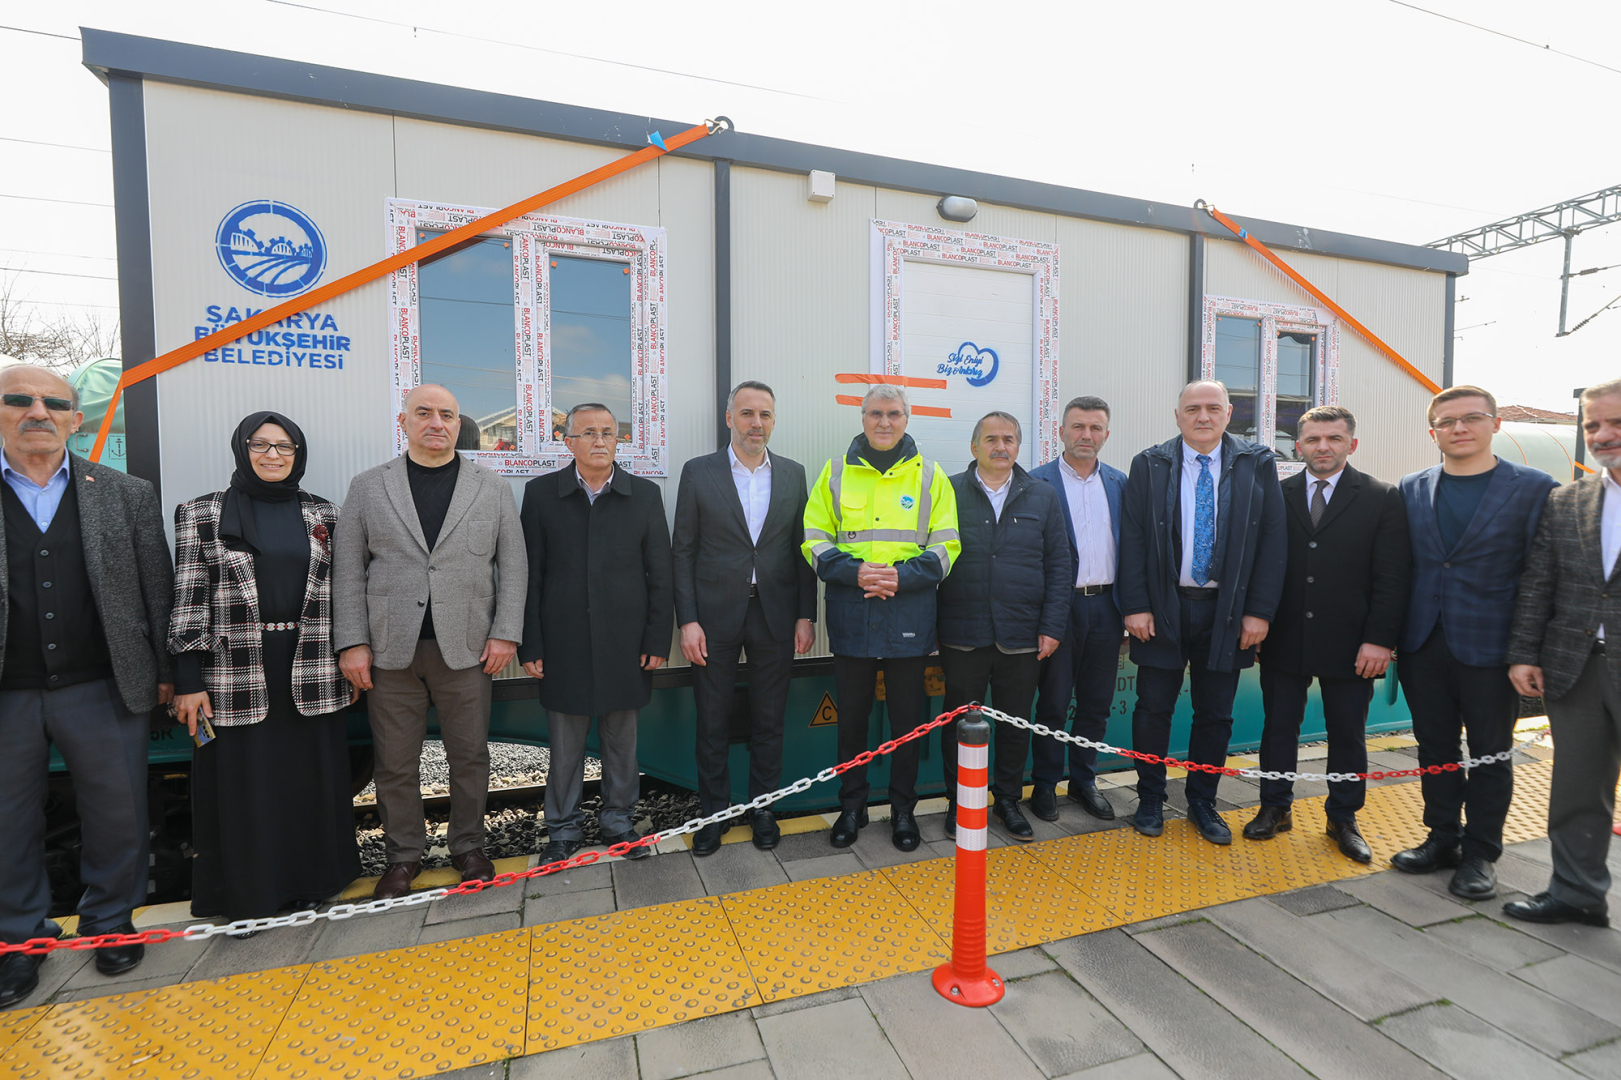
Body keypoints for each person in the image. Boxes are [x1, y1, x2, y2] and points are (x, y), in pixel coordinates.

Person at [0, 365, 173, 1005]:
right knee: (6, 822)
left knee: (117, 813)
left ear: (76, 420)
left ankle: (110, 923)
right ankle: (18, 940)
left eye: (54, 403)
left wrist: (164, 672)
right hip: (8, 693)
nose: (37, 412)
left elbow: (157, 588)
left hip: (101, 685)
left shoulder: (125, 493)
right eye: (19, 400)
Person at [333, 385, 526, 900]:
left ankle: (469, 847)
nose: (436, 423)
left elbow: (514, 566)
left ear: (459, 424)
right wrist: (352, 642)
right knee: (394, 762)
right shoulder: (368, 487)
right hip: (390, 651)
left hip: (467, 648)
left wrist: (505, 632)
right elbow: (347, 571)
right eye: (424, 413)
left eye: (447, 415)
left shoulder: (491, 487)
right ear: (405, 422)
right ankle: (403, 857)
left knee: (470, 756)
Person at [170, 412, 360, 925]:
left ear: (298, 454)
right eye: (261, 444)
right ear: (242, 448)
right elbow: (188, 599)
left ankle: (312, 885)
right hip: (232, 673)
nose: (273, 455)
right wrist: (187, 680)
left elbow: (345, 593)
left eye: (285, 446)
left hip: (312, 666)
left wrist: (352, 651)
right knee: (243, 789)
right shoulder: (201, 513)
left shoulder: (325, 513)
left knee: (308, 783)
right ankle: (247, 899)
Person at [1394, 385, 1556, 899]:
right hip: (1423, 642)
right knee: (1434, 747)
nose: (1459, 428)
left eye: (1472, 418)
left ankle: (1481, 852)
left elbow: (1543, 576)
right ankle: (1442, 836)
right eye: (1447, 422)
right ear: (1433, 432)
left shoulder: (1535, 488)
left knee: (1491, 752)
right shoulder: (1411, 487)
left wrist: (1529, 651)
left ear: (1496, 424)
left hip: (1493, 649)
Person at [1117, 379, 1286, 844]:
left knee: (1215, 714)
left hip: (1227, 612)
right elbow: (1132, 538)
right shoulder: (1150, 464)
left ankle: (1203, 802)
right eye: (1192, 409)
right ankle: (1150, 798)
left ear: (1229, 413)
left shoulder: (1257, 463)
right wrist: (1136, 605)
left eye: (1213, 408)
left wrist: (1259, 612)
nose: (1203, 417)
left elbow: (1273, 540)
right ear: (1178, 416)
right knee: (1152, 709)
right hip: (1163, 608)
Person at [1242, 406, 1410, 863]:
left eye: (1334, 438)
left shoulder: (1381, 497)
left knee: (1347, 732)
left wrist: (1380, 639)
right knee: (1278, 727)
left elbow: (1393, 577)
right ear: (1298, 446)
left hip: (1353, 642)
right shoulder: (1276, 495)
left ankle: (1343, 817)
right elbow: (1260, 565)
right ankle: (1274, 808)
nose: (1323, 447)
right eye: (1313, 439)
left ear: (1351, 444)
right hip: (1284, 637)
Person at [803, 384, 959, 851]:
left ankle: (902, 812)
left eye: (893, 414)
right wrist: (854, 572)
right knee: (851, 720)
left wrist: (899, 578)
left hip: (908, 613)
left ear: (906, 419)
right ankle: (851, 808)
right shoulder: (834, 473)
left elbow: (948, 546)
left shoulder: (931, 476)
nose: (884, 422)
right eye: (875, 413)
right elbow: (813, 538)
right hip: (853, 612)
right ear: (863, 418)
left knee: (906, 723)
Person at [520, 403, 674, 865]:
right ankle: (562, 829)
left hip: (625, 642)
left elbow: (661, 574)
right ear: (568, 442)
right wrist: (531, 642)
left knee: (622, 743)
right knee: (565, 747)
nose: (601, 440)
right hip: (561, 641)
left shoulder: (643, 495)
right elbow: (529, 575)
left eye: (609, 432)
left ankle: (619, 822)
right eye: (589, 432)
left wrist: (656, 639)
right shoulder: (541, 494)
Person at [673, 382, 817, 855]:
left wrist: (805, 615)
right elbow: (683, 551)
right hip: (713, 616)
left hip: (775, 613)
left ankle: (763, 809)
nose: (757, 423)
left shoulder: (793, 474)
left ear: (774, 421)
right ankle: (714, 814)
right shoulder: (699, 472)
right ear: (729, 418)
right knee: (712, 719)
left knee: (769, 719)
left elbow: (802, 550)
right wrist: (688, 620)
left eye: (765, 415)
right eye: (748, 413)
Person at [1504, 378, 1621, 925]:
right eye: (1593, 425)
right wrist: (1525, 653)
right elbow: (1539, 582)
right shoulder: (1568, 499)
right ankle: (1576, 893)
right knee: (1577, 788)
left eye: (1616, 422)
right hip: (1576, 668)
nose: (1603, 434)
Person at [936, 411, 1070, 841]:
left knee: (1016, 724)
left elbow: (1060, 565)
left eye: (1009, 439)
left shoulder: (1042, 495)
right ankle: (959, 802)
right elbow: (929, 559)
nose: (1000, 446)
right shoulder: (947, 491)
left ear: (1018, 446)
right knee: (958, 726)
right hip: (962, 634)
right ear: (974, 446)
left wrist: (1052, 626)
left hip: (1022, 635)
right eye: (991, 439)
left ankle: (1008, 800)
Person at [1030, 396, 1129, 823]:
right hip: (1059, 608)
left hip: (1108, 606)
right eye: (1078, 427)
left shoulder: (1121, 483)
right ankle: (1045, 783)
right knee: (1053, 702)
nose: (1086, 435)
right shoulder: (1036, 483)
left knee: (1096, 702)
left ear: (1106, 434)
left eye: (1095, 428)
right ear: (1061, 432)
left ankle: (1084, 780)